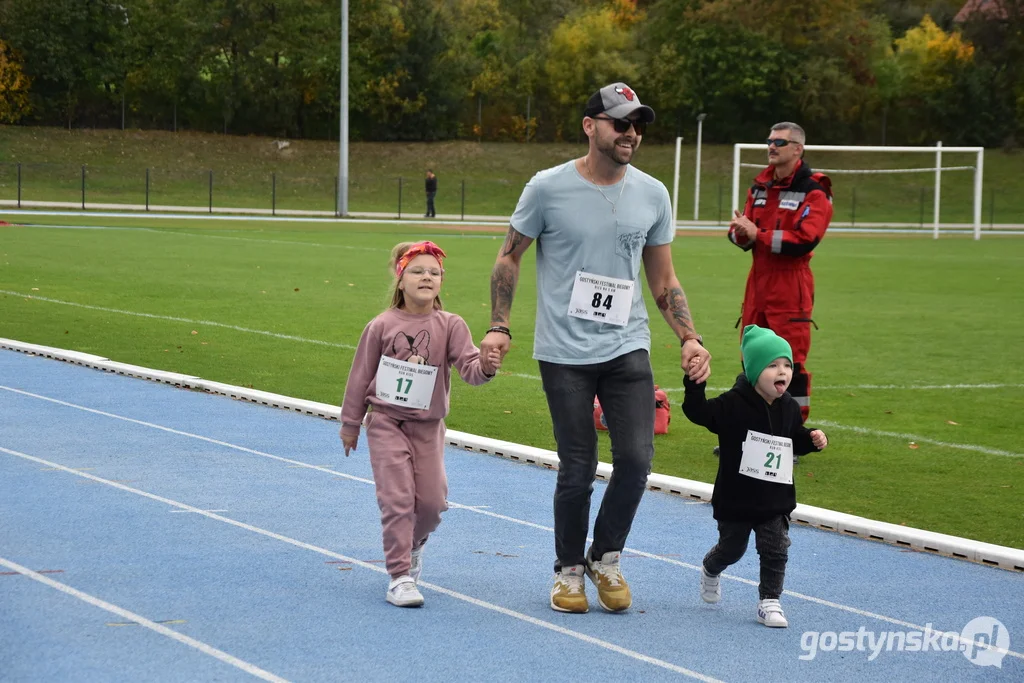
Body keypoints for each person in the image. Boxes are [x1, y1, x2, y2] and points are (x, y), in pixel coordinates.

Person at [479, 82, 712, 614]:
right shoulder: (547, 187)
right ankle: (567, 572)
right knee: (577, 467)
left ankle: (605, 556)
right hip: (563, 351)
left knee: (636, 459)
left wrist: (690, 337)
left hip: (627, 345)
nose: (631, 133)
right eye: (620, 122)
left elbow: (664, 279)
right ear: (591, 126)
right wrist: (499, 325)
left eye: (637, 125)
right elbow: (509, 257)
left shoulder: (653, 194)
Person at [340, 240, 502, 607]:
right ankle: (399, 576)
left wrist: (487, 366)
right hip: (386, 422)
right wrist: (350, 424)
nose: (426, 277)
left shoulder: (451, 325)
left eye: (433, 272)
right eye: (417, 271)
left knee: (431, 503)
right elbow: (359, 376)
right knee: (397, 500)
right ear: (400, 280)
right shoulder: (380, 326)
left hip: (428, 427)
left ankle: (413, 545)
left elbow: (470, 370)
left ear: (441, 281)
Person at [682, 325, 829, 628]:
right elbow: (698, 413)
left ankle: (769, 600)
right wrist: (694, 385)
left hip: (775, 497)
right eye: (772, 365)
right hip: (737, 497)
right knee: (733, 549)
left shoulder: (788, 406)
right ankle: (711, 568)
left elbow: (793, 438)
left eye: (787, 365)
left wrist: (811, 440)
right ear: (753, 370)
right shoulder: (732, 404)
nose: (782, 371)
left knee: (775, 547)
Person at [728, 122, 832, 423]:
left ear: (798, 149)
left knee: (790, 365)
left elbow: (805, 240)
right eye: (769, 141)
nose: (771, 146)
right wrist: (740, 233)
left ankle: (791, 438)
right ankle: (746, 431)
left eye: (780, 142)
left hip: (791, 287)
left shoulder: (814, 190)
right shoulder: (759, 186)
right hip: (757, 285)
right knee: (752, 360)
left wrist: (756, 233)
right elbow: (742, 238)